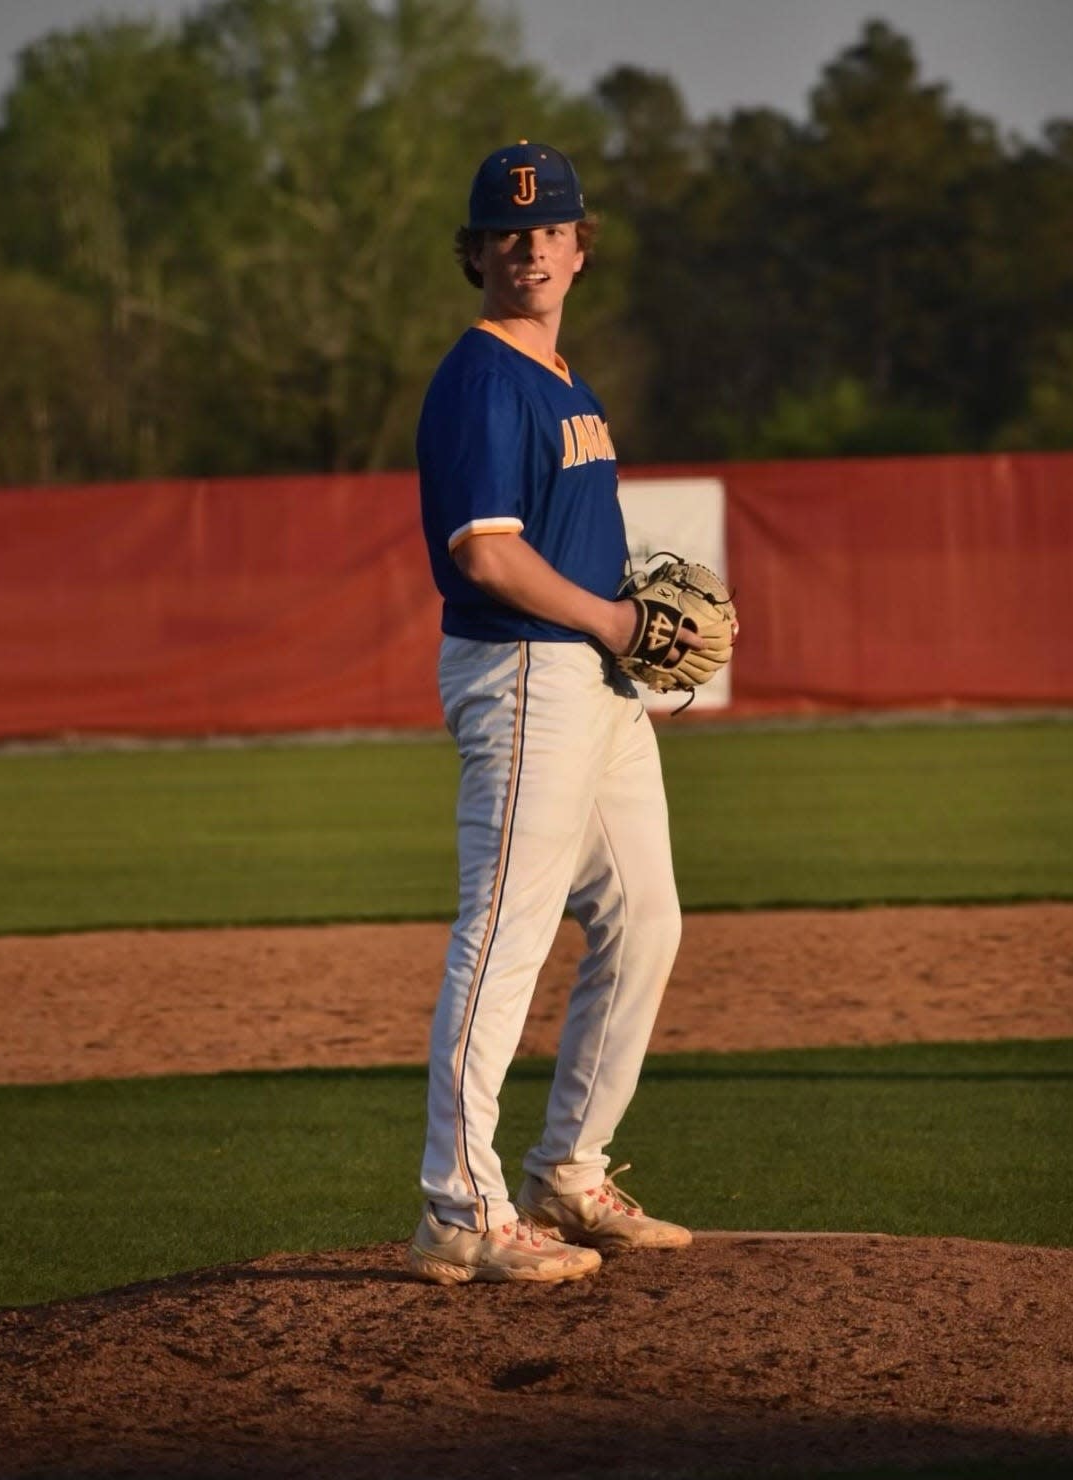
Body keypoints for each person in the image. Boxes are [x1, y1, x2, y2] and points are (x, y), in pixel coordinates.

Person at [408, 140, 696, 1285]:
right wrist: (620, 625)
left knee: (648, 922)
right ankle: (459, 1205)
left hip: (594, 682)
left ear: (581, 250)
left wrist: (629, 638)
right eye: (507, 230)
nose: (530, 244)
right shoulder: (482, 377)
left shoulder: (566, 380)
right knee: (505, 934)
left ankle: (569, 1171)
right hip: (526, 672)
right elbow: (485, 553)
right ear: (476, 252)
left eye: (551, 228)